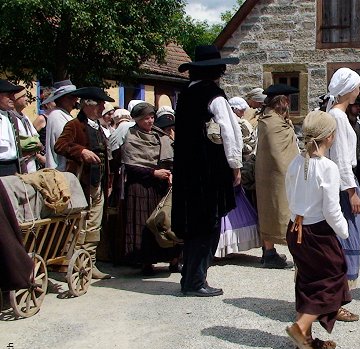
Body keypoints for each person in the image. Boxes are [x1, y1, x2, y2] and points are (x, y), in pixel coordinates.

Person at [172, 45, 243, 297]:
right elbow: (230, 133)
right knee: (207, 226)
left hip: (186, 170)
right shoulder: (215, 96)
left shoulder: (186, 94)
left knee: (193, 227)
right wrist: (236, 166)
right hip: (208, 171)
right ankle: (196, 280)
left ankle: (189, 277)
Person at [284, 110, 350, 349]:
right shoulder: (328, 168)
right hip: (316, 231)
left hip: (295, 227)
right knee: (332, 277)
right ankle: (300, 328)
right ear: (330, 137)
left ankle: (307, 339)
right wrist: (344, 232)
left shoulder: (296, 162)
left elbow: (289, 194)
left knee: (307, 281)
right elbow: (332, 210)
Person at [54, 87, 115, 280]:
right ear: (89, 105)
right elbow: (60, 145)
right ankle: (75, 264)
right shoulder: (74, 125)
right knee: (79, 225)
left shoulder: (98, 126)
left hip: (98, 183)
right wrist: (81, 151)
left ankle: (90, 263)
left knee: (94, 225)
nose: (103, 107)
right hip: (82, 183)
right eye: (100, 104)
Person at [120, 103, 179, 275]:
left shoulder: (159, 135)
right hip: (140, 187)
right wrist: (154, 172)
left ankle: (173, 259)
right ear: (137, 119)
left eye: (152, 117)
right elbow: (130, 166)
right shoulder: (131, 137)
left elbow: (170, 159)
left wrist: (169, 173)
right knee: (143, 225)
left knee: (164, 221)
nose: (150, 121)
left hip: (160, 186)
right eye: (146, 118)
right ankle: (146, 262)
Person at [325, 67, 360, 322]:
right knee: (345, 240)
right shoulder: (337, 118)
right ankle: (336, 302)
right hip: (343, 186)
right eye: (357, 86)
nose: (359, 91)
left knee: (343, 240)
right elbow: (340, 159)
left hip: (342, 184)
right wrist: (351, 192)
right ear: (350, 89)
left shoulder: (336, 115)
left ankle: (338, 298)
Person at [255, 84, 299, 269]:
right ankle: (276, 253)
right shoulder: (273, 123)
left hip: (269, 174)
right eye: (287, 99)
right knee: (282, 212)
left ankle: (269, 252)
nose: (289, 103)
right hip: (279, 175)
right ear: (281, 101)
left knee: (271, 211)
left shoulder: (267, 119)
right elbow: (279, 151)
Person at [43, 79, 79, 171]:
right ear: (62, 99)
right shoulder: (57, 115)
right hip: (60, 170)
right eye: (71, 97)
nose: (75, 100)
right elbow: (66, 142)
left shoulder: (64, 115)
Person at [11, 89, 44, 173]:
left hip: (31, 162)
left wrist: (35, 143)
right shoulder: (10, 117)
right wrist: (33, 144)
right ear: (15, 99)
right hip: (20, 163)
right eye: (23, 96)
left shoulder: (25, 118)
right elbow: (21, 141)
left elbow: (35, 136)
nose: (27, 99)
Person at [0, 80, 25, 176]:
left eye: (13, 95)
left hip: (13, 167)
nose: (13, 98)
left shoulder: (12, 117)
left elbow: (17, 149)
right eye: (8, 95)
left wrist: (23, 171)